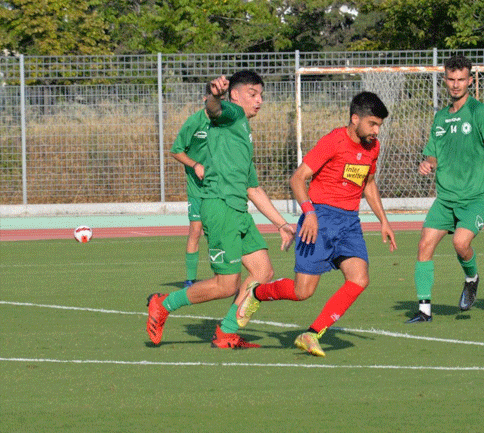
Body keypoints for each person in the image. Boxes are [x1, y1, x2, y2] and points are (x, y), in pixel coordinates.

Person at [233, 91, 397, 357]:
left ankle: (311, 333)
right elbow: (298, 178)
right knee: (302, 292)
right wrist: (309, 213)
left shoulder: (373, 147)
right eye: (372, 124)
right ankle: (258, 293)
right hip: (320, 220)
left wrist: (384, 221)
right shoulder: (333, 141)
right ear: (355, 119)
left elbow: (368, 184)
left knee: (359, 279)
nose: (376, 131)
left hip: (349, 223)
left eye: (379, 125)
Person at [146, 71, 295, 349]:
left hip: (238, 212)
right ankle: (163, 304)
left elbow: (253, 189)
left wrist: (281, 224)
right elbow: (215, 110)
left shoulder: (243, 132)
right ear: (234, 95)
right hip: (220, 207)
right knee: (227, 285)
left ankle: (226, 332)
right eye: (253, 94)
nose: (259, 100)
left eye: (261, 95)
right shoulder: (233, 114)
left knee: (263, 272)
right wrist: (215, 96)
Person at [405, 54, 484, 323]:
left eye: (461, 79)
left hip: (476, 196)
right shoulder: (440, 118)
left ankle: (472, 278)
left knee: (461, 243)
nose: (455, 84)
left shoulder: (478, 112)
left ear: (470, 80)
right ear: (445, 80)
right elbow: (433, 153)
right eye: (451, 79)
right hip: (446, 198)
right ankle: (424, 311)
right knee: (424, 245)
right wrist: (428, 163)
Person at [169, 85, 211, 288]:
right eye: (213, 97)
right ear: (205, 99)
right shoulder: (194, 121)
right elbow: (176, 150)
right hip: (197, 187)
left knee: (220, 232)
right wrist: (195, 165)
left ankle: (225, 277)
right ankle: (190, 280)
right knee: (195, 230)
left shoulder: (226, 123)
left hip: (220, 186)